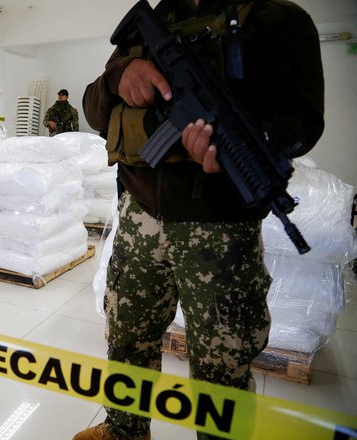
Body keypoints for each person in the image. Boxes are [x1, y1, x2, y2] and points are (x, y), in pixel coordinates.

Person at [74, 0, 324, 439]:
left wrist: (240, 141)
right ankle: (124, 430)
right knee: (128, 337)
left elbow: (304, 120)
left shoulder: (277, 18)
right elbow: (95, 110)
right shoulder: (145, 29)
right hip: (140, 212)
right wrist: (119, 75)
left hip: (220, 226)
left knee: (222, 362)